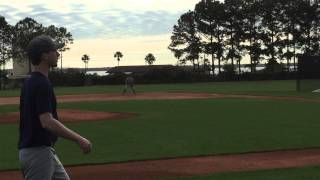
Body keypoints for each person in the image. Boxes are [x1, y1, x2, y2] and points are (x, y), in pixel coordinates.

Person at [18, 35, 92, 180]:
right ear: (45, 56)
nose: (58, 54)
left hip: (42, 150)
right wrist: (79, 139)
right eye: (54, 50)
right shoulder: (41, 83)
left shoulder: (30, 81)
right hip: (37, 153)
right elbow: (47, 121)